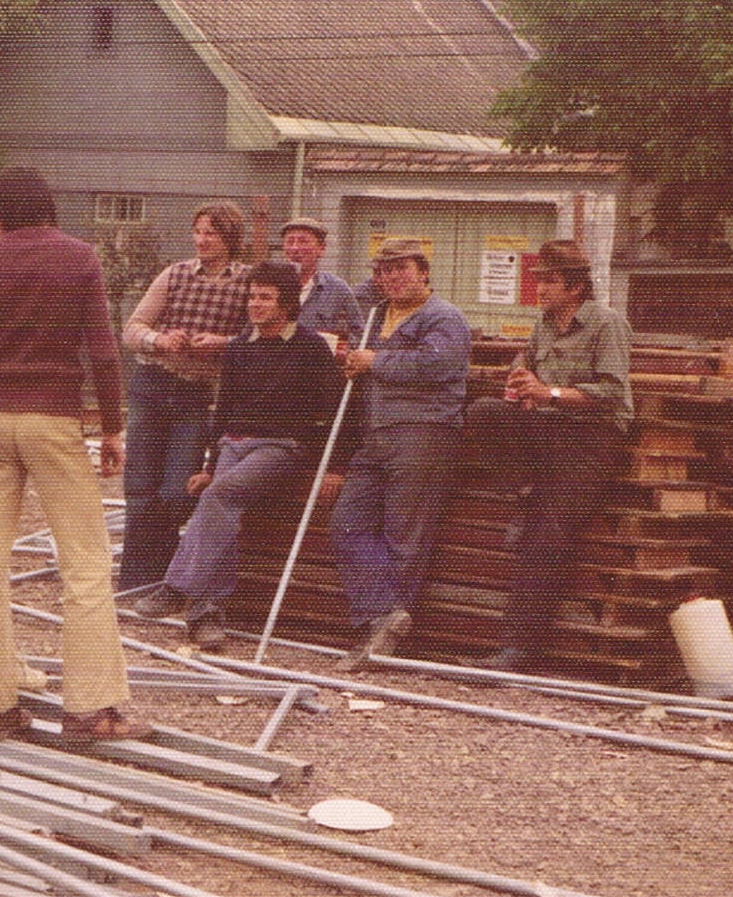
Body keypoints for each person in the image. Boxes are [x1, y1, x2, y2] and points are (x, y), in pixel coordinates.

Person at [0, 166, 147, 743]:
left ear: (3, 210)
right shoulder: (80, 257)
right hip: (53, 420)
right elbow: (104, 353)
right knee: (85, 564)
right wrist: (113, 428)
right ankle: (89, 710)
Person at [135, 262, 342, 649]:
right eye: (252, 296)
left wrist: (335, 467)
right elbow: (223, 412)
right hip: (234, 443)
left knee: (219, 498)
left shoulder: (310, 347)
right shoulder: (239, 347)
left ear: (286, 304)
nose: (254, 304)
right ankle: (206, 616)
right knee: (217, 504)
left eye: (265, 297)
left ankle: (177, 587)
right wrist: (210, 466)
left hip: (280, 446)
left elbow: (336, 410)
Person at [461, 240, 632, 671]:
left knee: (546, 537)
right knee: (484, 412)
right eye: (539, 280)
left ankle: (517, 651)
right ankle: (525, 490)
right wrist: (520, 384)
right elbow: (528, 372)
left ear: (576, 287)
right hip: (549, 430)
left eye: (550, 281)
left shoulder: (606, 323)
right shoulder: (544, 325)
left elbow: (612, 392)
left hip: (591, 439)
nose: (540, 288)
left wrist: (549, 392)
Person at [331, 237, 471, 670]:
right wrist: (355, 362)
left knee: (404, 537)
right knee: (347, 522)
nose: (391, 277)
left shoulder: (443, 317)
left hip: (423, 433)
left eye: (401, 268)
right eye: (384, 270)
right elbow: (368, 364)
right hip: (376, 435)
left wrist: (374, 361)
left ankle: (381, 638)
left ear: (423, 272)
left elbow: (437, 365)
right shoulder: (376, 315)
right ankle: (384, 614)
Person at [117, 202, 252, 592]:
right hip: (153, 385)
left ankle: (169, 576)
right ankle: (138, 580)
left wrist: (223, 343)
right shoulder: (174, 274)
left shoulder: (247, 282)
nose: (202, 240)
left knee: (179, 490)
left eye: (211, 233)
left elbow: (258, 338)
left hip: (199, 395)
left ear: (230, 238)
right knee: (140, 488)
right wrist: (160, 339)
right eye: (198, 232)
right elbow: (132, 329)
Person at [280, 217, 362, 335]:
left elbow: (358, 332)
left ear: (321, 248)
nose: (295, 248)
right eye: (290, 242)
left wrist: (340, 342)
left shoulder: (337, 289)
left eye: (303, 241)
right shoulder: (270, 285)